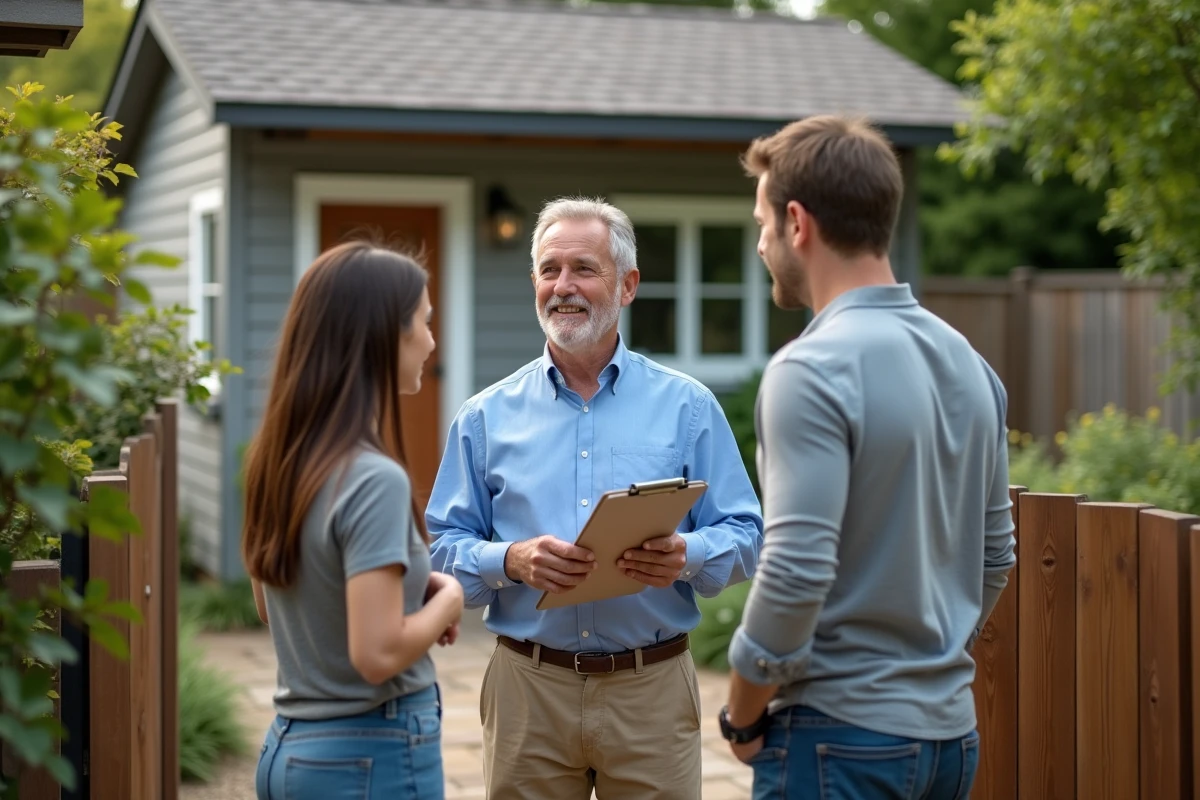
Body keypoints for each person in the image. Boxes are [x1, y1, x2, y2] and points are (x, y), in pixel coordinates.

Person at [719, 115, 1017, 799]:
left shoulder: (810, 370)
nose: (760, 244)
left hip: (837, 739)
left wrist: (742, 713)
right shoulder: (970, 365)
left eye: (761, 223)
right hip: (949, 742)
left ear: (798, 222)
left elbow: (794, 571)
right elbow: (996, 555)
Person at [426, 197, 764, 799]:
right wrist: (509, 560)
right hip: (527, 691)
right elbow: (440, 551)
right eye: (549, 270)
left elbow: (747, 535)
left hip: (651, 693)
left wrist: (685, 552)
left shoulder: (688, 408)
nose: (563, 287)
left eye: (584, 268)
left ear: (628, 285)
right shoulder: (484, 417)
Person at [242, 239, 464, 800]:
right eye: (424, 323)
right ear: (384, 337)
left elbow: (273, 606)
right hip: (370, 757)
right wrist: (451, 598)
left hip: (289, 753)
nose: (432, 343)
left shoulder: (280, 459)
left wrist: (417, 584)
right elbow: (378, 653)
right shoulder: (373, 478)